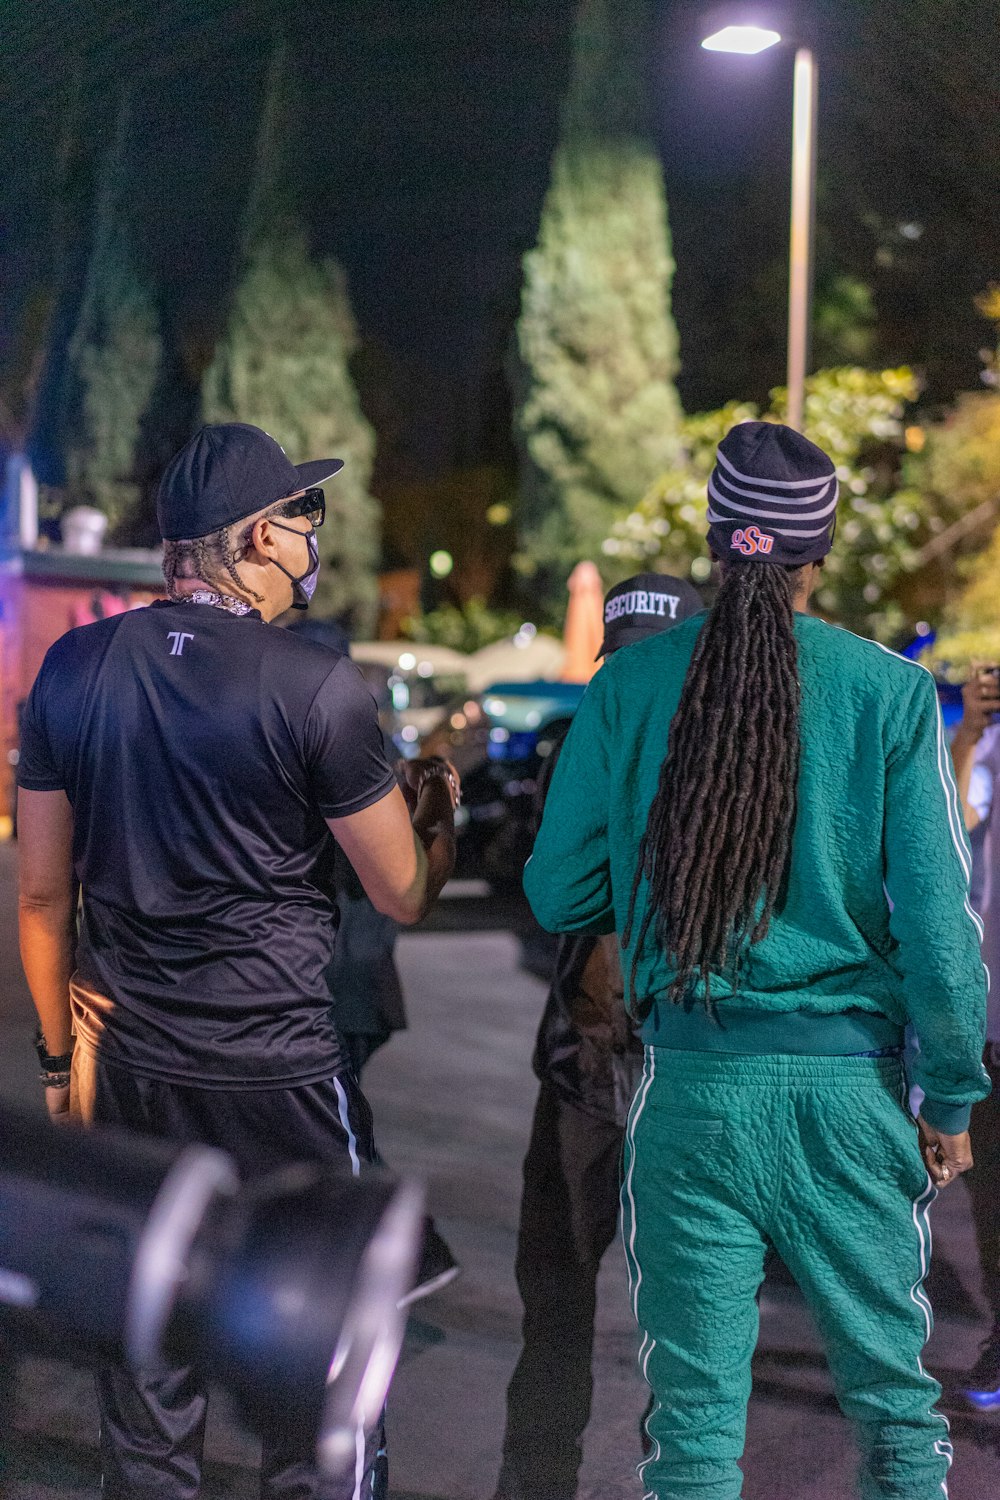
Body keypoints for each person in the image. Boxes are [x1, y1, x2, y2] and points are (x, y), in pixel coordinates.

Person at [524, 420, 990, 1500]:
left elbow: (558, 892)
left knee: (691, 1433)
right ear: (812, 554)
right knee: (892, 1410)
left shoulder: (631, 688)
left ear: (713, 541)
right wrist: (953, 1096)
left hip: (690, 1092)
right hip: (848, 1098)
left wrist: (656, 890)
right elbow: (937, 927)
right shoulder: (884, 691)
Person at [16, 421, 459, 1500]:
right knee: (321, 1375)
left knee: (148, 1369)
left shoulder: (74, 667)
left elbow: (39, 891)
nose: (316, 534)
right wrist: (437, 812)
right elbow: (399, 889)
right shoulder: (315, 689)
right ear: (263, 534)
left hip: (130, 1066)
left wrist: (53, 1061)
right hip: (282, 1078)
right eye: (306, 516)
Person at [495, 573, 701, 1500]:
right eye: (617, 665)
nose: (631, 683)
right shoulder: (583, 746)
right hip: (584, 1063)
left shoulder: (738, 756)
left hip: (692, 1071)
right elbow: (554, 885)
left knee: (691, 1336)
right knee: (555, 1309)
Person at [948, 665, 1000, 1406]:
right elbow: (955, 825)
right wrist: (967, 731)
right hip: (995, 1018)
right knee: (992, 1198)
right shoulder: (988, 745)